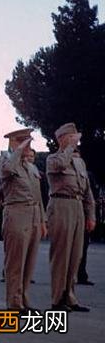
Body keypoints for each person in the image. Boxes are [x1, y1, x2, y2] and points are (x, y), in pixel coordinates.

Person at [45, 123, 96, 311]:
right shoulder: (54, 158)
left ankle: (70, 296)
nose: (76, 140)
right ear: (61, 139)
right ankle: (57, 299)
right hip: (61, 205)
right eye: (71, 137)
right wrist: (68, 149)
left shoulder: (80, 162)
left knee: (75, 255)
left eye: (76, 137)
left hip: (77, 207)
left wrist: (91, 215)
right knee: (61, 255)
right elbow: (60, 165)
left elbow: (87, 192)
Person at [0, 128, 46, 312]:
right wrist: (18, 151)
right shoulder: (6, 162)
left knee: (29, 261)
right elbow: (9, 168)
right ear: (13, 143)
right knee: (16, 262)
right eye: (23, 142)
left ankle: (25, 299)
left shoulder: (31, 167)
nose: (28, 146)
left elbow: (38, 196)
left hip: (33, 215)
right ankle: (14, 302)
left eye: (29, 142)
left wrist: (42, 221)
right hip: (16, 214)